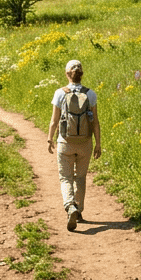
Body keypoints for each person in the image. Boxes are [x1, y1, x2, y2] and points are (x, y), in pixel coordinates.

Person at [47, 59, 101, 232]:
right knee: (80, 177)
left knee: (65, 177)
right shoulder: (90, 94)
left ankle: (70, 206)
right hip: (85, 142)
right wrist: (98, 143)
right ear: (81, 74)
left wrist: (49, 138)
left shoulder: (60, 93)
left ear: (67, 74)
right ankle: (79, 210)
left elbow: (54, 120)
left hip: (65, 142)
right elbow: (95, 122)